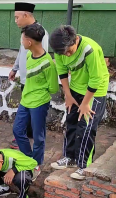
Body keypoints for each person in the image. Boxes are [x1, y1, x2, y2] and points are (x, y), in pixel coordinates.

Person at [49, 25, 109, 180]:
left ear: (75, 39)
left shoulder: (90, 49)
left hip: (95, 91)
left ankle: (84, 165)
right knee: (71, 122)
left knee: (86, 127)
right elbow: (61, 71)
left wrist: (85, 103)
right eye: (63, 53)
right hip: (76, 87)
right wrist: (68, 95)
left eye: (69, 51)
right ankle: (69, 157)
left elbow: (96, 79)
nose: (67, 55)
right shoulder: (61, 49)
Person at [12, 24, 59, 181]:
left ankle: (36, 164)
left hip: (39, 103)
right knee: (18, 130)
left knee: (39, 137)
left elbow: (53, 88)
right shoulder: (28, 56)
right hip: (25, 101)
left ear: (29, 42)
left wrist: (39, 89)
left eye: (23, 39)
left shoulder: (48, 63)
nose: (21, 41)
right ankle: (29, 160)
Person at [9, 2, 49, 150]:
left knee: (34, 109)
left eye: (17, 17)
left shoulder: (41, 33)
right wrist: (15, 68)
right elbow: (21, 52)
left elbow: (43, 57)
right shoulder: (25, 33)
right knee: (27, 107)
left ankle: (33, 140)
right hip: (26, 79)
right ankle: (25, 134)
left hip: (36, 80)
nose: (15, 21)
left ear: (26, 15)